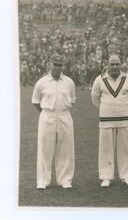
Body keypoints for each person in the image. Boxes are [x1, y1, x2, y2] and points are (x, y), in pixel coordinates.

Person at [91, 55, 128, 187]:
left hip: (126, 118)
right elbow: (95, 98)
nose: (115, 67)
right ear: (108, 65)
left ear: (121, 65)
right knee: (106, 148)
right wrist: (106, 109)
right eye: (113, 64)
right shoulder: (99, 79)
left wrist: (121, 107)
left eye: (117, 64)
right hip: (106, 120)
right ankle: (106, 177)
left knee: (126, 148)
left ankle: (126, 176)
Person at [32, 54, 75, 189]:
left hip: (64, 116)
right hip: (47, 116)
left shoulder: (69, 82)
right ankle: (43, 181)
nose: (57, 67)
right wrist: (47, 113)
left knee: (66, 148)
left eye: (60, 65)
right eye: (55, 64)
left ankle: (65, 180)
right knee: (45, 148)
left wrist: (60, 111)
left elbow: (72, 100)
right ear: (50, 64)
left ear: (63, 66)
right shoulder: (41, 82)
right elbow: (36, 102)